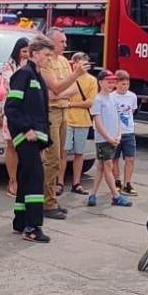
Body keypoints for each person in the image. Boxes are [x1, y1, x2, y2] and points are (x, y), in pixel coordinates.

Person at [7, 37, 55, 243]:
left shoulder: (37, 76)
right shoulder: (24, 75)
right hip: (26, 136)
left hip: (36, 137)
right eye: (46, 55)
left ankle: (20, 221)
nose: (49, 60)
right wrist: (26, 129)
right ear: (34, 54)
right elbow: (12, 107)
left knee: (26, 178)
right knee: (35, 179)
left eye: (51, 56)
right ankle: (33, 227)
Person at [37, 28, 83, 218]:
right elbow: (56, 87)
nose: (65, 45)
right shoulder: (47, 64)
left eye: (65, 42)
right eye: (61, 42)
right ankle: (47, 203)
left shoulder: (64, 61)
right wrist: (72, 78)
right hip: (52, 113)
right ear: (51, 42)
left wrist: (58, 92)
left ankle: (51, 199)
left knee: (61, 156)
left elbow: (72, 89)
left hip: (64, 110)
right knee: (53, 158)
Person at [89, 70, 132, 208]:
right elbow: (98, 122)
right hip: (103, 139)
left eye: (113, 82)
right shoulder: (98, 100)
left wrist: (118, 135)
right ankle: (116, 196)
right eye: (109, 82)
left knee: (101, 167)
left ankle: (93, 194)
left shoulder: (113, 98)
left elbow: (119, 118)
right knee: (108, 165)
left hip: (113, 138)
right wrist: (108, 138)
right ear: (100, 82)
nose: (111, 84)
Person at [59, 52, 97, 199]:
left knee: (79, 153)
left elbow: (90, 102)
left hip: (83, 121)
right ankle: (60, 182)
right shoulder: (68, 78)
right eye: (77, 62)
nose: (80, 66)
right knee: (63, 152)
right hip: (67, 120)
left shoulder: (92, 81)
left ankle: (76, 183)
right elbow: (61, 94)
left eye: (83, 63)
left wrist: (70, 104)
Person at [0, 37, 29, 196]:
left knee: (25, 146)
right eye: (24, 51)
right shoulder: (8, 65)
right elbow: (12, 84)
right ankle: (12, 180)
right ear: (17, 51)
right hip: (12, 109)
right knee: (11, 145)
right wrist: (23, 71)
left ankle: (24, 180)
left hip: (28, 110)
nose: (26, 54)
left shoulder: (32, 66)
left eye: (29, 51)